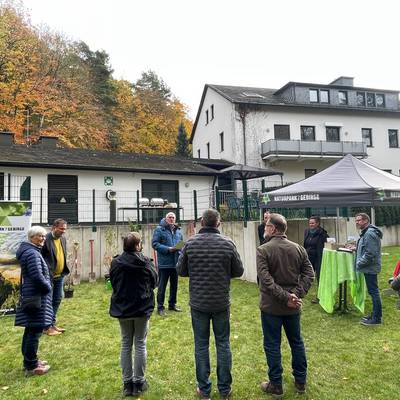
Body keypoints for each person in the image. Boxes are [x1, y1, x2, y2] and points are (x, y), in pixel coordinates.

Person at [177, 209, 244, 400]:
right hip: (221, 301)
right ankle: (224, 389)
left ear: (201, 222)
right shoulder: (227, 243)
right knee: (223, 343)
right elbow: (238, 271)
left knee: (201, 344)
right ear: (218, 223)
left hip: (199, 302)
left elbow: (180, 270)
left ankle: (204, 389)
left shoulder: (190, 243)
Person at [257, 213, 314, 397]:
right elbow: (309, 275)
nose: (264, 228)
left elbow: (265, 281)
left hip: (273, 307)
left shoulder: (263, 250)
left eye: (266, 226)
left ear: (273, 229)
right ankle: (300, 382)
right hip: (290, 305)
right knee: (296, 343)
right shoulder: (298, 248)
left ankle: (276, 385)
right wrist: (293, 296)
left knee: (273, 345)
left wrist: (292, 296)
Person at [109, 232, 158, 397]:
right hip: (141, 308)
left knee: (126, 343)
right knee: (140, 343)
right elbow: (154, 282)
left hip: (123, 308)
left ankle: (128, 383)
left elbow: (114, 282)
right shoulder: (146, 263)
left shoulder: (116, 262)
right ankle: (138, 382)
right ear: (138, 245)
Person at [15, 226, 53, 376]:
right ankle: (31, 366)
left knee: (30, 330)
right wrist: (48, 287)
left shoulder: (31, 251)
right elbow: (37, 276)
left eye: (44, 236)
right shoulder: (32, 253)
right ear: (31, 238)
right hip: (37, 296)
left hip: (33, 295)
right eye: (39, 236)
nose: (43, 238)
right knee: (35, 331)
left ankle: (29, 361)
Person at [41, 219, 70, 336]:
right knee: (48, 302)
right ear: (54, 227)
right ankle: (46, 327)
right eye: (61, 229)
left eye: (65, 229)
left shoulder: (62, 239)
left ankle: (52, 324)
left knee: (57, 299)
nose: (63, 231)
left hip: (60, 276)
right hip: (49, 276)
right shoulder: (45, 239)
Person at [152, 212, 183, 316]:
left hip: (175, 263)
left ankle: (172, 304)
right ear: (165, 218)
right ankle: (160, 307)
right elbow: (155, 244)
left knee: (174, 285)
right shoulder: (159, 229)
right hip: (164, 264)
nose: (171, 219)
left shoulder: (178, 230)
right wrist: (168, 249)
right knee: (162, 286)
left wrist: (181, 249)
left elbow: (181, 243)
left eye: (173, 217)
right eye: (169, 217)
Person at [354, 213, 383, 326]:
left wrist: (359, 263)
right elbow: (365, 248)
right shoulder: (367, 232)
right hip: (369, 267)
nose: (357, 222)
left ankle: (376, 318)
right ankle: (375, 314)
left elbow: (370, 253)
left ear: (366, 220)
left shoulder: (369, 233)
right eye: (356, 220)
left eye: (359, 220)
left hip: (370, 267)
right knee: (373, 291)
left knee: (374, 292)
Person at [303, 216, 328, 303]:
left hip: (318, 258)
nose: (311, 225)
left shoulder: (323, 233)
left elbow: (326, 245)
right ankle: (301, 292)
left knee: (319, 277)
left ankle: (320, 297)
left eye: (313, 223)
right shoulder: (306, 232)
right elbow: (305, 244)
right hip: (308, 257)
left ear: (317, 223)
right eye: (310, 223)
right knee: (306, 275)